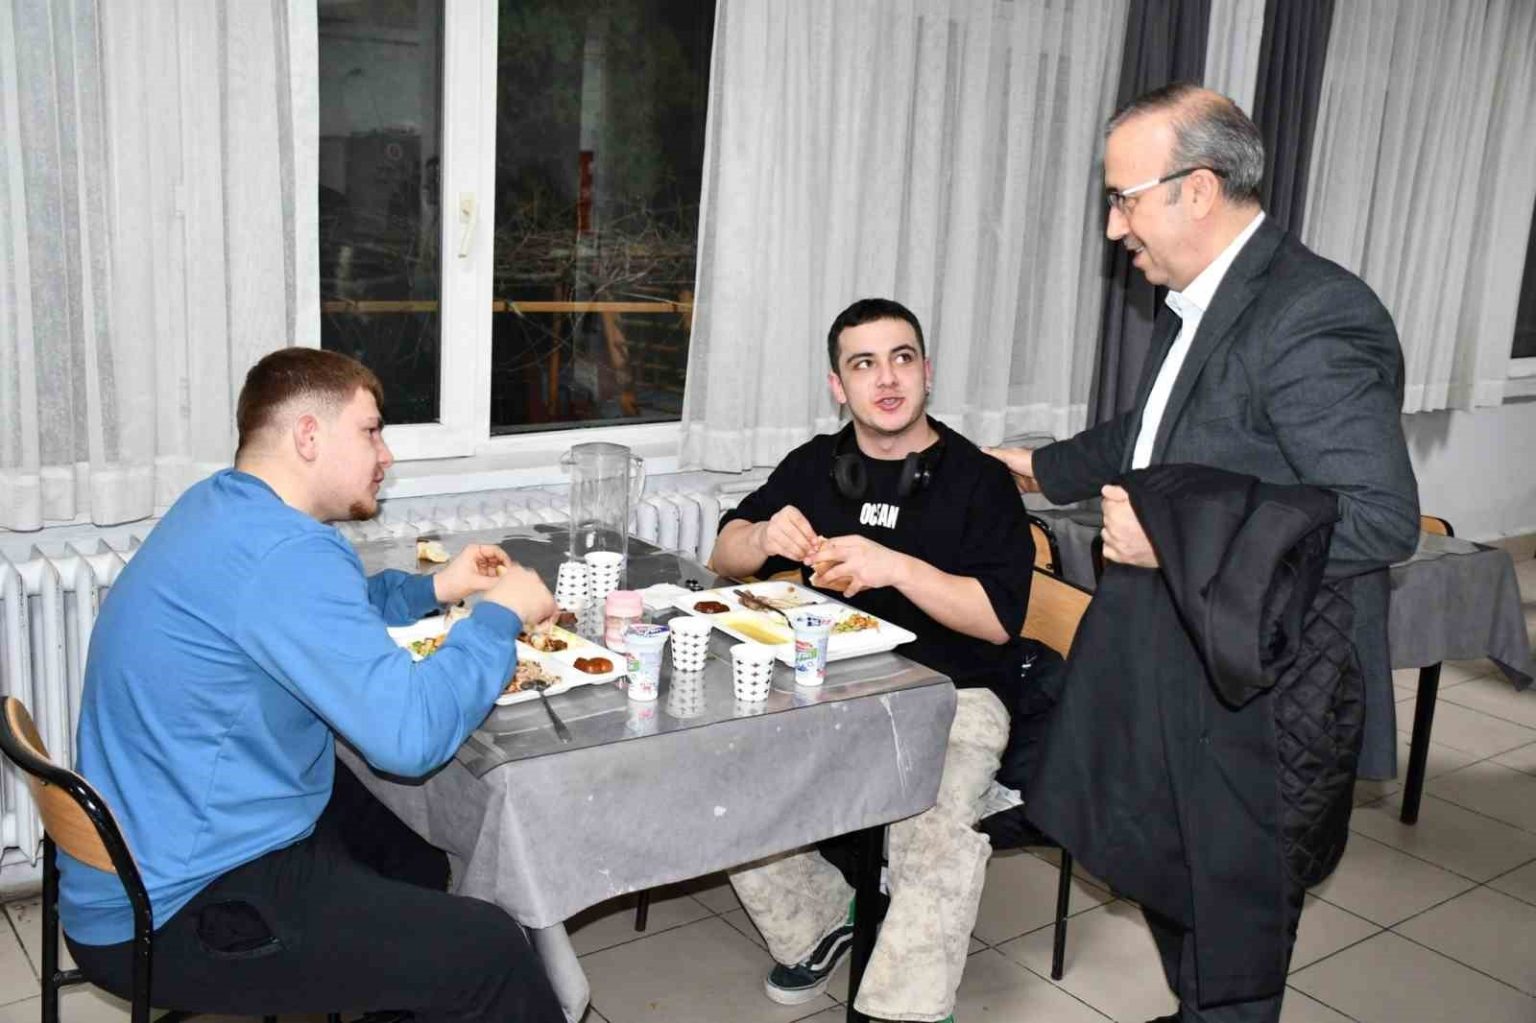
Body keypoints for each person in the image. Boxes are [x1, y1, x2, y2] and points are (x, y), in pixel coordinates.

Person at [987, 83, 1418, 1023]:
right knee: (1172, 873)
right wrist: (1037, 467)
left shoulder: (1314, 314)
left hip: (1267, 691)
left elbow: (1379, 518)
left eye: (1124, 199)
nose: (1113, 227)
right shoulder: (1200, 299)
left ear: (1198, 189)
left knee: (1234, 922)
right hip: (1182, 657)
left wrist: (1173, 535)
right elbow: (1159, 432)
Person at [58, 348, 564, 1023]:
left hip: (162, 845)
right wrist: (499, 616)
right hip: (177, 902)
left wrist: (438, 587)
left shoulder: (224, 506)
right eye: (371, 430)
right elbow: (409, 738)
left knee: (410, 846)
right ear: (307, 434)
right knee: (492, 950)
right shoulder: (284, 551)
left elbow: (328, 610)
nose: (385, 454)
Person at [712, 298, 1036, 1023]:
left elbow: (996, 620)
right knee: (722, 770)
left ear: (927, 372)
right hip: (826, 681)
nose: (886, 378)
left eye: (902, 358)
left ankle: (903, 1009)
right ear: (839, 385)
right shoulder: (814, 465)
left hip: (956, 692)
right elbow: (724, 553)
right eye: (864, 364)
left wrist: (895, 566)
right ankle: (822, 921)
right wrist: (761, 536)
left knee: (933, 826)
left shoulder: (979, 480)